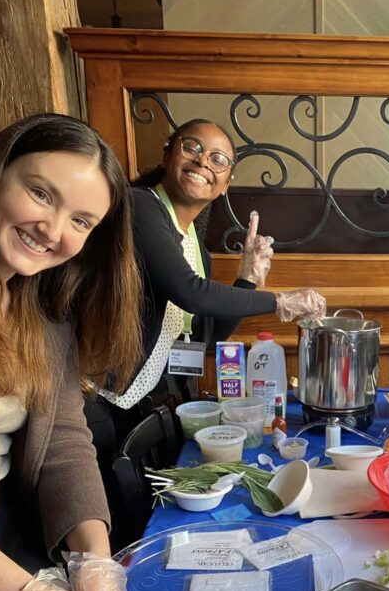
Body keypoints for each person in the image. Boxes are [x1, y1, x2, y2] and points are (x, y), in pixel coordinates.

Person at [0, 113, 141, 591]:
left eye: (81, 219)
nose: (55, 231)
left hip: (11, 549)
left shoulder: (31, 306)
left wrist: (94, 562)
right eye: (42, 194)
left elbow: (65, 442)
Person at [95, 118, 326, 441]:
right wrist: (278, 301)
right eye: (192, 147)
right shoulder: (139, 206)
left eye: (217, 159)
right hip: (100, 399)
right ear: (166, 156)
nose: (203, 161)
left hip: (151, 405)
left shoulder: (195, 247)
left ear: (225, 183)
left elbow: (208, 332)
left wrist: (246, 279)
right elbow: (190, 293)